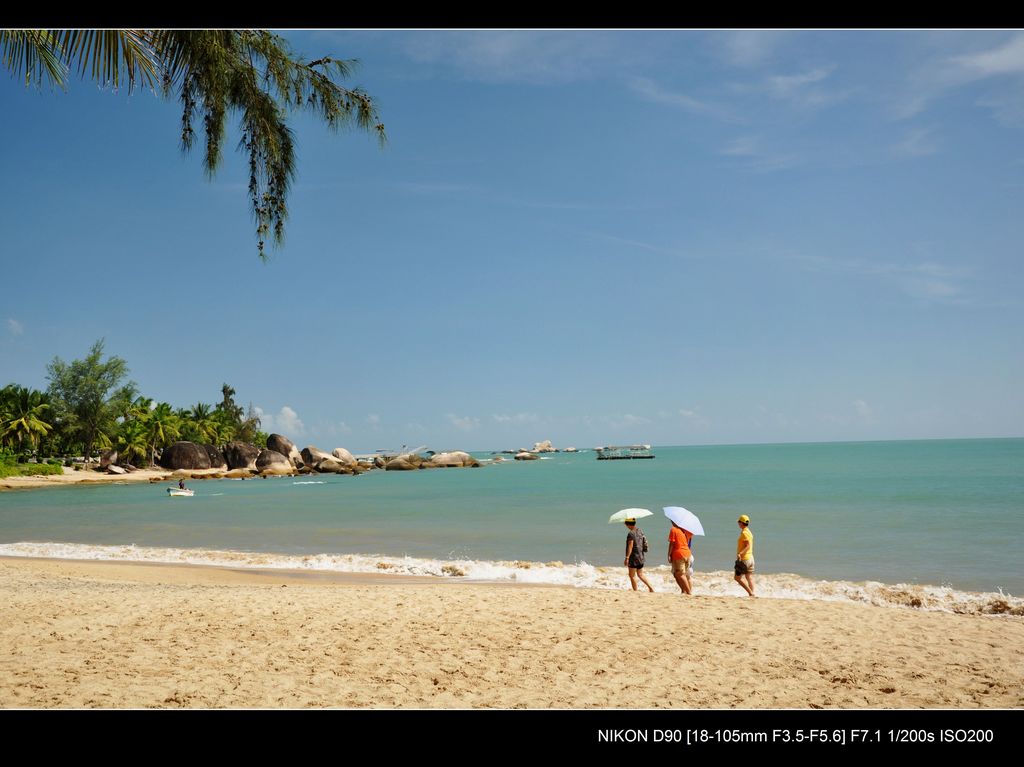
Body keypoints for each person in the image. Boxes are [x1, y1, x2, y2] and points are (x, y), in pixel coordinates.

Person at [623, 519, 655, 592]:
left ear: (627, 524)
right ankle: (651, 588)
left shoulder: (631, 533)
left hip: (633, 557)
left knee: (632, 575)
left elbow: (630, 546)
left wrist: (627, 557)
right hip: (641, 556)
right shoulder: (639, 530)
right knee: (640, 574)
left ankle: (635, 591)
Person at [667, 521, 694, 595]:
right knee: (678, 574)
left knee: (680, 574)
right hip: (688, 554)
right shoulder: (684, 530)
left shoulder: (673, 529)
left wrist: (669, 554)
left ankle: (688, 592)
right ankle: (684, 591)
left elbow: (672, 543)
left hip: (679, 554)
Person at [734, 514, 755, 597]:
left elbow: (748, 545)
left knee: (737, 578)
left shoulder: (745, 533)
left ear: (741, 523)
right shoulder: (748, 531)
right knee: (748, 577)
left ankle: (750, 593)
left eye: (739, 522)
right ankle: (752, 594)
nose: (738, 523)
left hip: (745, 559)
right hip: (751, 558)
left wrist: (740, 553)